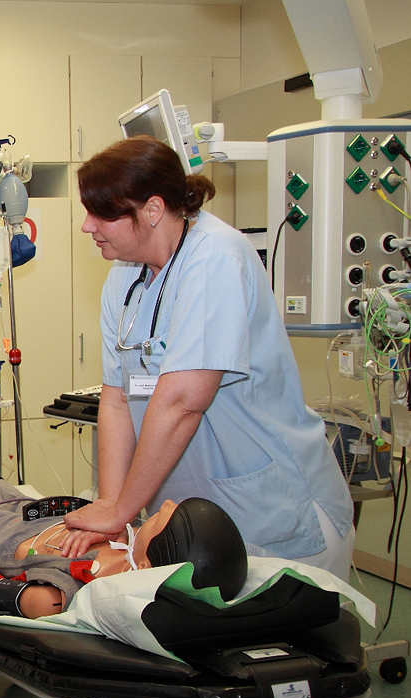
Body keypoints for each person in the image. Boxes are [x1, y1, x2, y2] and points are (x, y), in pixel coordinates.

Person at [63, 137, 353, 580]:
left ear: (154, 210)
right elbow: (117, 398)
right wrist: (111, 507)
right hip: (193, 524)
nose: (87, 226)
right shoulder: (124, 279)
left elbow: (183, 401)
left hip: (269, 513)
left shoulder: (216, 256)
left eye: (102, 213)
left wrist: (123, 507)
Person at [0, 434, 248, 618]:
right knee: (15, 499)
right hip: (52, 521)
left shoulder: (65, 596)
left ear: (148, 565)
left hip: (3, 542)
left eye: (161, 519)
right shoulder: (131, 545)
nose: (163, 504)